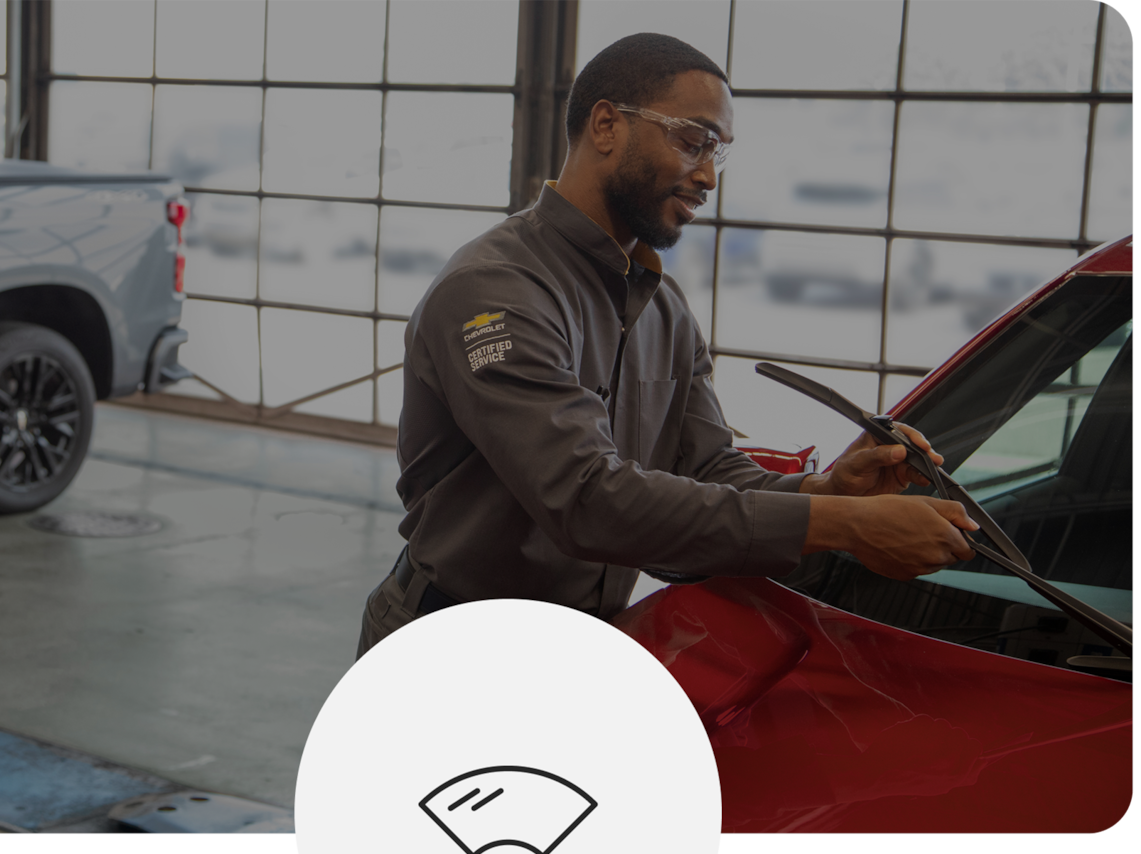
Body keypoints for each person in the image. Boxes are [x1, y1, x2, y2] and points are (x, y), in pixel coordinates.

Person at [357, 33, 975, 658]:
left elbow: (707, 467)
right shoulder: (495, 291)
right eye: (692, 140)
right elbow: (586, 500)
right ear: (606, 125)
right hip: (451, 647)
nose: (707, 175)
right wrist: (844, 527)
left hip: (581, 646)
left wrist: (828, 493)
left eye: (719, 153)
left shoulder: (663, 306)